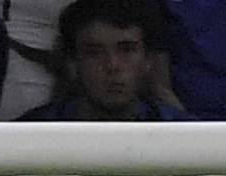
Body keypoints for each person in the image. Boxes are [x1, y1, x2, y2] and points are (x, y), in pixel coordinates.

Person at [18, 0, 187, 121]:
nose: (112, 65)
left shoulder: (184, 135)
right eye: (94, 53)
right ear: (72, 63)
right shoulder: (29, 134)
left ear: (148, 60)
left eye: (126, 50)